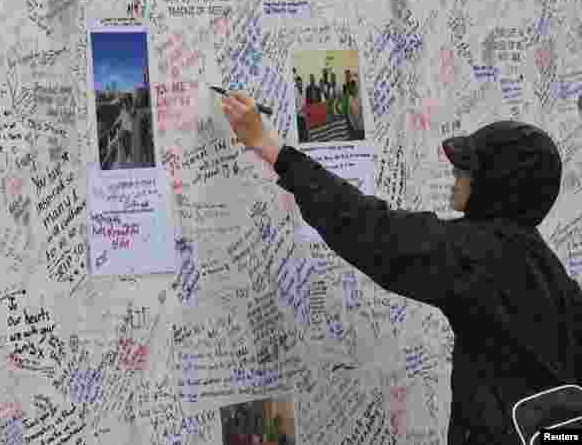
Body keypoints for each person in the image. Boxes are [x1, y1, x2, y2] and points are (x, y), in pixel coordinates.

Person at [220, 91, 580, 445]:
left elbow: (372, 230)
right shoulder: (546, 268)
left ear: (499, 184)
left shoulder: (481, 257)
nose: (455, 178)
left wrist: (270, 146)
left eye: (466, 170)